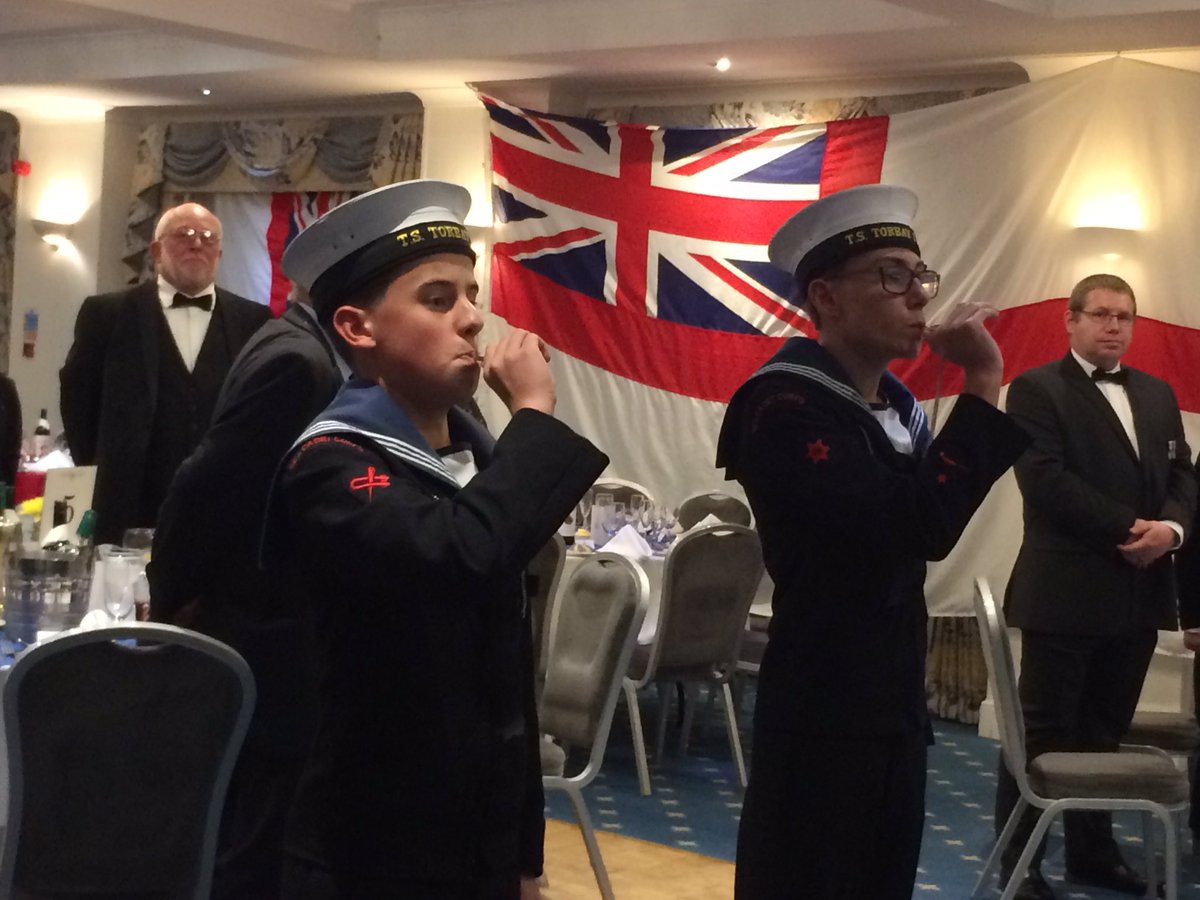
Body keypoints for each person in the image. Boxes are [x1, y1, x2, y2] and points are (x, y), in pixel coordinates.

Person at [262, 180, 608, 899]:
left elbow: (508, 690)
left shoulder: (478, 457)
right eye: (438, 299)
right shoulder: (330, 463)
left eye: (472, 295)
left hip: (475, 841)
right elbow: (461, 554)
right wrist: (535, 418)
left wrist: (522, 855)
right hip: (370, 849)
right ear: (359, 329)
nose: (474, 320)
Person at [718, 184, 1028, 900]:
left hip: (889, 699)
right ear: (826, 298)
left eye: (920, 275)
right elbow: (921, 526)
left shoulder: (895, 408)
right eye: (892, 276)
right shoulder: (784, 405)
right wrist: (983, 380)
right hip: (823, 703)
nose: (918, 295)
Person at [996, 273, 1197, 900]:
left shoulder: (1159, 395)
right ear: (1071, 320)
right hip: (1064, 590)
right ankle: (1020, 864)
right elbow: (1046, 481)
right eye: (1102, 314)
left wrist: (1170, 529)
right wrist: (1131, 527)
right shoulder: (1035, 389)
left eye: (1125, 317)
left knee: (1103, 734)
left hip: (1138, 597)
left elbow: (1184, 476)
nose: (1114, 326)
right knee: (1041, 735)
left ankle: (1092, 853)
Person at [147, 275, 349, 898]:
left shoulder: (295, 343)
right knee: (253, 849)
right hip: (264, 632)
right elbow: (205, 484)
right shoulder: (298, 362)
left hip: (264, 628)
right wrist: (171, 601)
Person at [59, 202, 271, 544]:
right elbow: (77, 402)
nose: (197, 243)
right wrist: (107, 466)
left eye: (208, 237)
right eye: (184, 234)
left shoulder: (254, 320)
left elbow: (260, 412)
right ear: (156, 250)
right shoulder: (107, 314)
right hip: (128, 501)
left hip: (220, 502)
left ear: (219, 253)